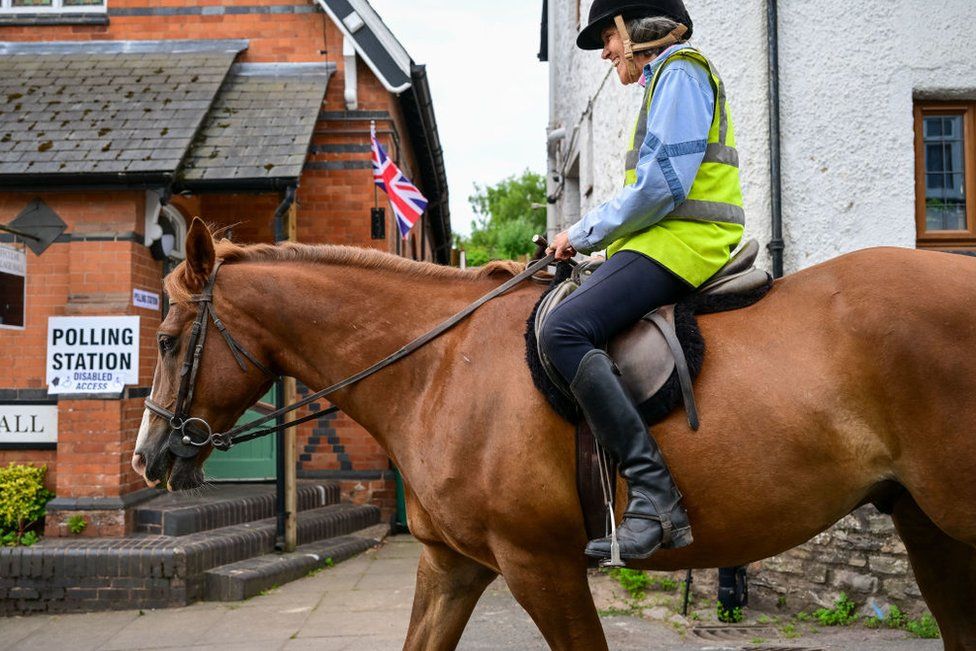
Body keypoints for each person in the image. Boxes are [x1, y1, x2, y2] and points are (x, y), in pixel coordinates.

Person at [540, 0, 745, 563]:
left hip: (685, 244)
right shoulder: (664, 81)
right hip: (663, 243)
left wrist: (582, 232)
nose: (606, 52)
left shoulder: (679, 73)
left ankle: (654, 496)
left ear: (634, 29)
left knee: (562, 330)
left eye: (607, 36)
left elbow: (661, 189)